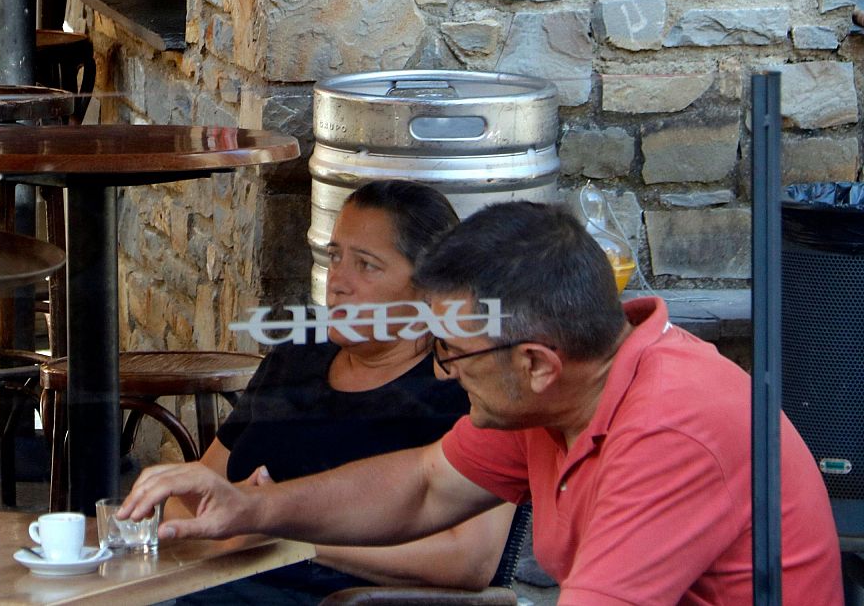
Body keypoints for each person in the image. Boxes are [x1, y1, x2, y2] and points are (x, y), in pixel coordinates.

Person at [121, 202, 843, 604]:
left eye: (453, 354)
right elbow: (425, 485)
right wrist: (255, 508)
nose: (441, 373)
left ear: (535, 363)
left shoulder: (672, 431)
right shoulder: (562, 396)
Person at [168, 181, 514, 603]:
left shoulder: (465, 387)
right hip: (219, 581)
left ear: (428, 287)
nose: (338, 281)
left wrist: (285, 532)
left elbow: (469, 559)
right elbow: (197, 495)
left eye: (366, 265)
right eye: (335, 256)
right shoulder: (297, 355)